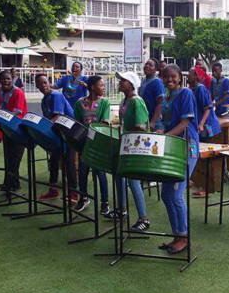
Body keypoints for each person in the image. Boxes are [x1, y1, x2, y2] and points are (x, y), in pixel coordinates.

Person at [158, 64, 199, 254]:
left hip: (186, 147)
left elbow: (184, 123)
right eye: (166, 77)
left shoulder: (186, 94)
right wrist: (159, 131)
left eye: (173, 76)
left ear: (179, 77)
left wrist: (165, 135)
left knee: (175, 194)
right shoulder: (165, 98)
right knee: (166, 195)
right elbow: (165, 123)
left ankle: (184, 237)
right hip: (172, 147)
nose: (169, 80)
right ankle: (176, 235)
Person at [115, 71, 151, 230]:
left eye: (123, 81)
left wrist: (126, 131)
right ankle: (122, 210)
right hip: (127, 143)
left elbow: (141, 126)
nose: (120, 83)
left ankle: (144, 219)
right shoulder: (125, 101)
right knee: (119, 176)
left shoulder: (137, 101)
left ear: (130, 84)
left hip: (136, 145)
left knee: (133, 180)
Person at [34, 73, 78, 202]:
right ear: (37, 86)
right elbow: (49, 119)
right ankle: (53, 190)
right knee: (53, 161)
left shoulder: (56, 95)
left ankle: (74, 194)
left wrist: (41, 128)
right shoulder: (44, 100)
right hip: (59, 132)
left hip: (70, 132)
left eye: (45, 82)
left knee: (68, 162)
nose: (43, 86)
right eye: (40, 84)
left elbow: (57, 116)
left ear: (49, 82)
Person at [73, 75, 112, 216]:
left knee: (100, 173)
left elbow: (106, 122)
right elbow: (77, 123)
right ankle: (83, 198)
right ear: (92, 87)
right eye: (101, 85)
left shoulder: (105, 103)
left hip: (98, 144)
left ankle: (104, 202)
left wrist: (91, 126)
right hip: (84, 143)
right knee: (82, 172)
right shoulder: (79, 103)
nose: (103, 87)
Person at [188, 67, 221, 198]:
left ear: (196, 76)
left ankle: (207, 187)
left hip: (206, 127)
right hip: (199, 127)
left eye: (190, 74)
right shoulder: (191, 89)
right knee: (197, 156)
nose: (188, 76)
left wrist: (201, 124)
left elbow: (208, 108)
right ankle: (198, 182)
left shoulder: (200, 89)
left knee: (206, 158)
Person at [0, 70, 27, 191]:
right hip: (5, 127)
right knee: (8, 156)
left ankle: (14, 183)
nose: (6, 81)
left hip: (18, 128)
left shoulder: (18, 92)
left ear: (12, 79)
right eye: (3, 79)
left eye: (8, 79)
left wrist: (3, 118)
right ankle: (9, 182)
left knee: (15, 157)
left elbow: (17, 111)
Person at [139, 58, 166, 131]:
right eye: (146, 64)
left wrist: (153, 122)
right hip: (144, 120)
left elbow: (160, 104)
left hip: (154, 124)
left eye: (150, 65)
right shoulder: (143, 81)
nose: (147, 66)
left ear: (155, 69)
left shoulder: (157, 83)